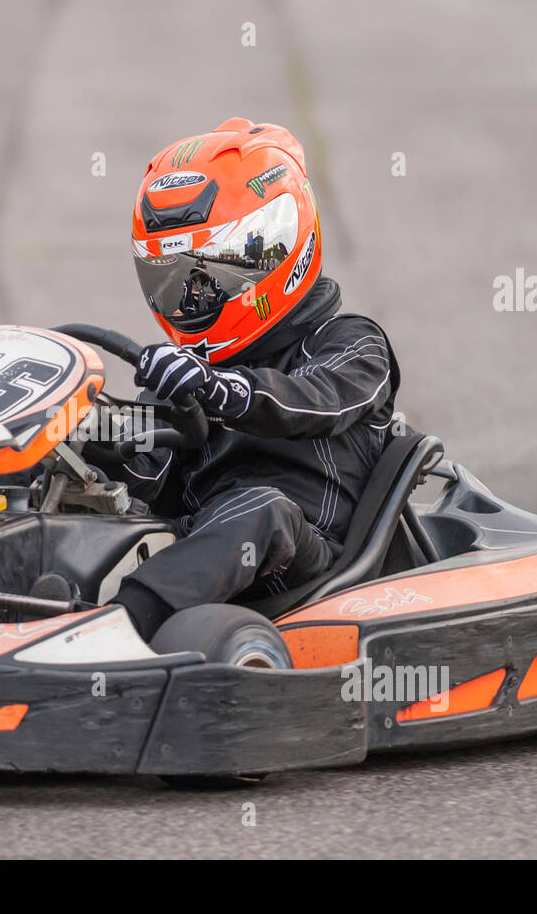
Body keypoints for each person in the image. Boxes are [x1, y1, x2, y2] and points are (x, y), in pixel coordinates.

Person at [109, 117, 400, 640]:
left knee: (257, 510)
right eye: (171, 277)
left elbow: (311, 400)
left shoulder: (351, 343)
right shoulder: (186, 372)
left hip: (305, 557)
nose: (191, 297)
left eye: (211, 271)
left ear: (276, 247)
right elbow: (143, 475)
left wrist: (223, 390)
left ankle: (113, 632)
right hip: (197, 546)